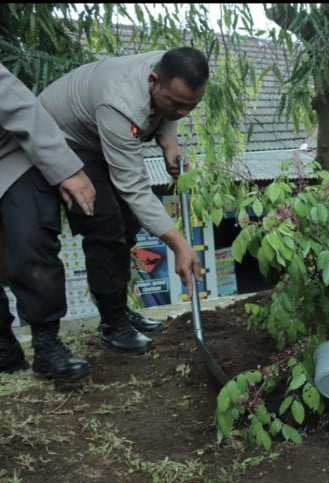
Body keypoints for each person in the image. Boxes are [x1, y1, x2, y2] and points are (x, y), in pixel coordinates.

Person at [39, 47, 207, 355]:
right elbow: (134, 188)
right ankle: (112, 323)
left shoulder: (170, 67)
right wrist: (179, 244)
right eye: (177, 104)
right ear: (153, 81)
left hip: (101, 136)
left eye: (192, 106)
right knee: (104, 224)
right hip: (63, 139)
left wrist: (169, 142)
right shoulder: (121, 103)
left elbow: (168, 108)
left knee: (129, 221)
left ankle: (119, 307)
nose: (183, 113)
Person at [0, 63, 96, 385]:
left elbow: (23, 109)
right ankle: (4, 349)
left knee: (29, 239)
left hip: (9, 156)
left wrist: (65, 168)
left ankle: (46, 343)